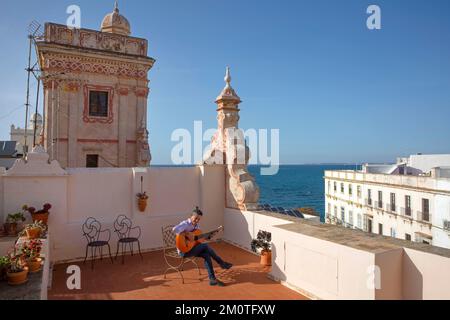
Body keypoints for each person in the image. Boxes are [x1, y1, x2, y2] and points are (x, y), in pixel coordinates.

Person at [172, 206, 232, 286]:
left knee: (206, 254)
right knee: (205, 246)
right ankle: (221, 263)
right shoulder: (185, 224)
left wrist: (209, 236)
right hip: (184, 251)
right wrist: (186, 233)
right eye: (196, 218)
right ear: (191, 216)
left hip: (192, 248)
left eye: (199, 219)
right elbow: (174, 229)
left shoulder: (197, 227)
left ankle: (212, 279)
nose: (197, 220)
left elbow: (199, 240)